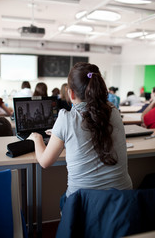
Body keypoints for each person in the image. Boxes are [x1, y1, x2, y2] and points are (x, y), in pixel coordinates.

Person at [28, 62, 132, 201]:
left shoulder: (66, 118)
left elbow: (45, 162)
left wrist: (37, 139)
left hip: (83, 206)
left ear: (70, 92)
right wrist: (63, 135)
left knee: (62, 200)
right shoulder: (113, 111)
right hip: (122, 204)